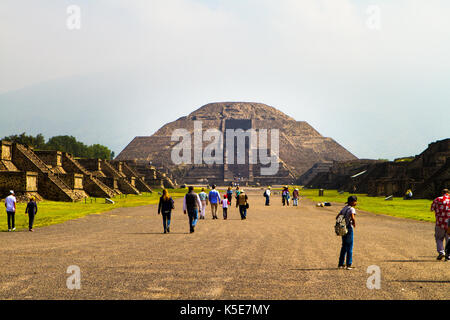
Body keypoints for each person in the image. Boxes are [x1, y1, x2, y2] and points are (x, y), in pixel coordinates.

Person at [337, 196, 357, 270]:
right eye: (355, 201)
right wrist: (354, 223)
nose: (356, 203)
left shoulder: (344, 208)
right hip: (349, 228)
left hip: (343, 228)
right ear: (352, 202)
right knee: (350, 247)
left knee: (344, 246)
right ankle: (349, 264)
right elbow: (352, 217)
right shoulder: (352, 209)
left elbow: (337, 217)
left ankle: (341, 264)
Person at [430, 188, 450, 261]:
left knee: (439, 238)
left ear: (442, 193)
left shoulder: (437, 199)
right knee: (449, 239)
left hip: (440, 223)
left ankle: (441, 252)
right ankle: (448, 255)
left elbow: (431, 209)